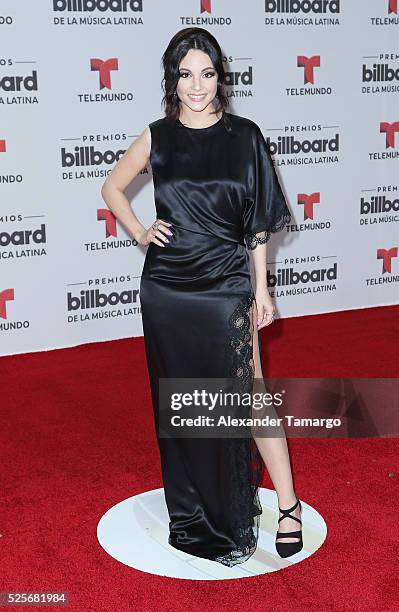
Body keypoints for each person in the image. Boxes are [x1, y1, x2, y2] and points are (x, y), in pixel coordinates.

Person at [101, 27, 303, 567]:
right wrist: (140, 231)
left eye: (207, 74)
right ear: (173, 79)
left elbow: (258, 223)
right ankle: (197, 508)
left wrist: (261, 288)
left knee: (251, 393)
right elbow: (112, 187)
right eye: (186, 74)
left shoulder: (245, 136)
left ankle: (287, 503)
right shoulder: (158, 137)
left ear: (221, 77)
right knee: (185, 402)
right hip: (167, 289)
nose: (197, 86)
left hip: (226, 285)